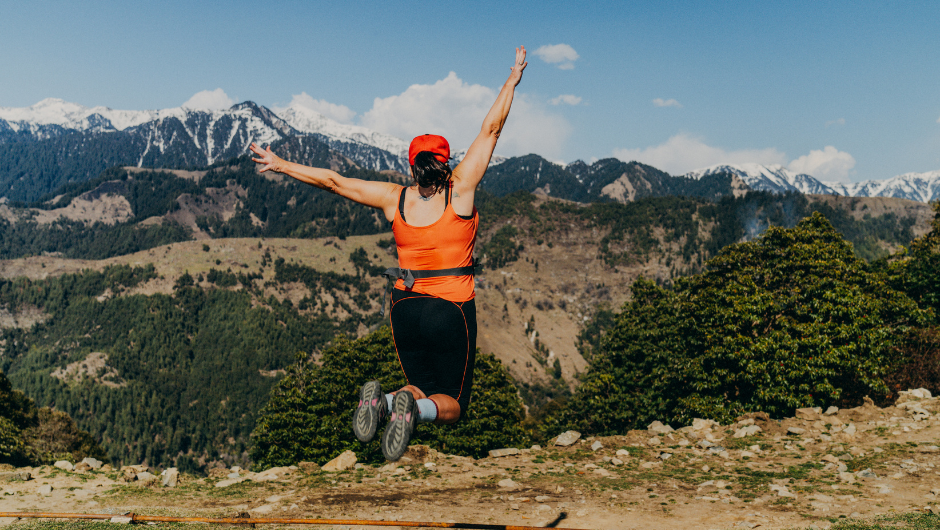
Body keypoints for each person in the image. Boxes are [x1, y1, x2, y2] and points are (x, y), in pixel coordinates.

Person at [250, 46, 527, 461]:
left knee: (416, 383)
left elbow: (332, 181)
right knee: (452, 401)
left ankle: (386, 401)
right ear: (446, 161)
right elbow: (491, 130)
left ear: (411, 166)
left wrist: (282, 164)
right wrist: (512, 80)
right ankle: (413, 410)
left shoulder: (393, 198)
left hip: (404, 308)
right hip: (449, 310)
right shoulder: (461, 190)